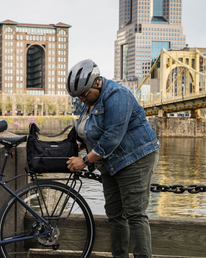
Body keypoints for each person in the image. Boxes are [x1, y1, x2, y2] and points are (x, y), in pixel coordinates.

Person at [65, 59, 160, 258]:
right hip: (110, 163)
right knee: (115, 215)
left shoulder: (117, 96)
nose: (81, 98)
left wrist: (84, 161)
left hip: (135, 159)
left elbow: (111, 138)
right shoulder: (90, 101)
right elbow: (91, 130)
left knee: (135, 214)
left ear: (97, 83)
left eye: (83, 93)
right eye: (77, 96)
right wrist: (82, 144)